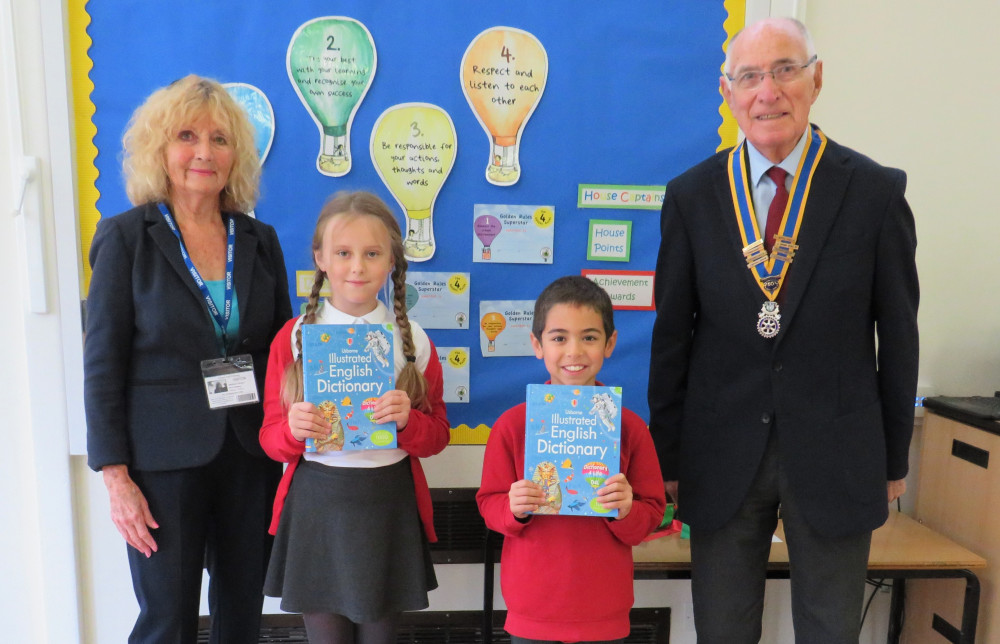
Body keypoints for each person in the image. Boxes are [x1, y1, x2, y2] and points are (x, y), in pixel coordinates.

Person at [647, 17, 919, 643]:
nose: (767, 91)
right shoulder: (691, 197)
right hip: (720, 450)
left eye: (784, 70)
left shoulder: (875, 192)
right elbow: (673, 336)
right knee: (723, 626)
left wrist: (893, 453)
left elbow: (899, 334)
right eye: (750, 77)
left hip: (838, 451)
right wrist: (668, 453)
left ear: (816, 79)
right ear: (728, 92)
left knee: (828, 628)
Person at [84, 74, 292, 643]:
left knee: (242, 612)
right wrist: (115, 475)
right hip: (161, 460)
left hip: (250, 452)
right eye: (187, 136)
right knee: (167, 618)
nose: (204, 152)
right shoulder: (126, 238)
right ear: (161, 149)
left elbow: (282, 356)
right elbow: (102, 363)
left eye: (220, 139)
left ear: (237, 156)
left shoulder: (259, 239)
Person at [259, 191, 450, 644]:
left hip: (387, 504)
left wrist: (409, 423)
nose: (357, 267)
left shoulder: (413, 341)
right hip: (317, 505)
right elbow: (269, 439)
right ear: (320, 258)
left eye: (372, 253)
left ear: (391, 262)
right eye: (343, 253)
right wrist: (293, 431)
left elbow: (439, 435)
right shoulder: (295, 337)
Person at [478, 275, 666, 643]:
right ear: (537, 344)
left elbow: (651, 514)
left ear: (610, 343)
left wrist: (626, 509)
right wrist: (513, 508)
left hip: (604, 613)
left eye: (590, 337)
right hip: (533, 610)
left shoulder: (629, 427)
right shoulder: (513, 425)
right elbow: (489, 504)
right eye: (559, 337)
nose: (574, 352)